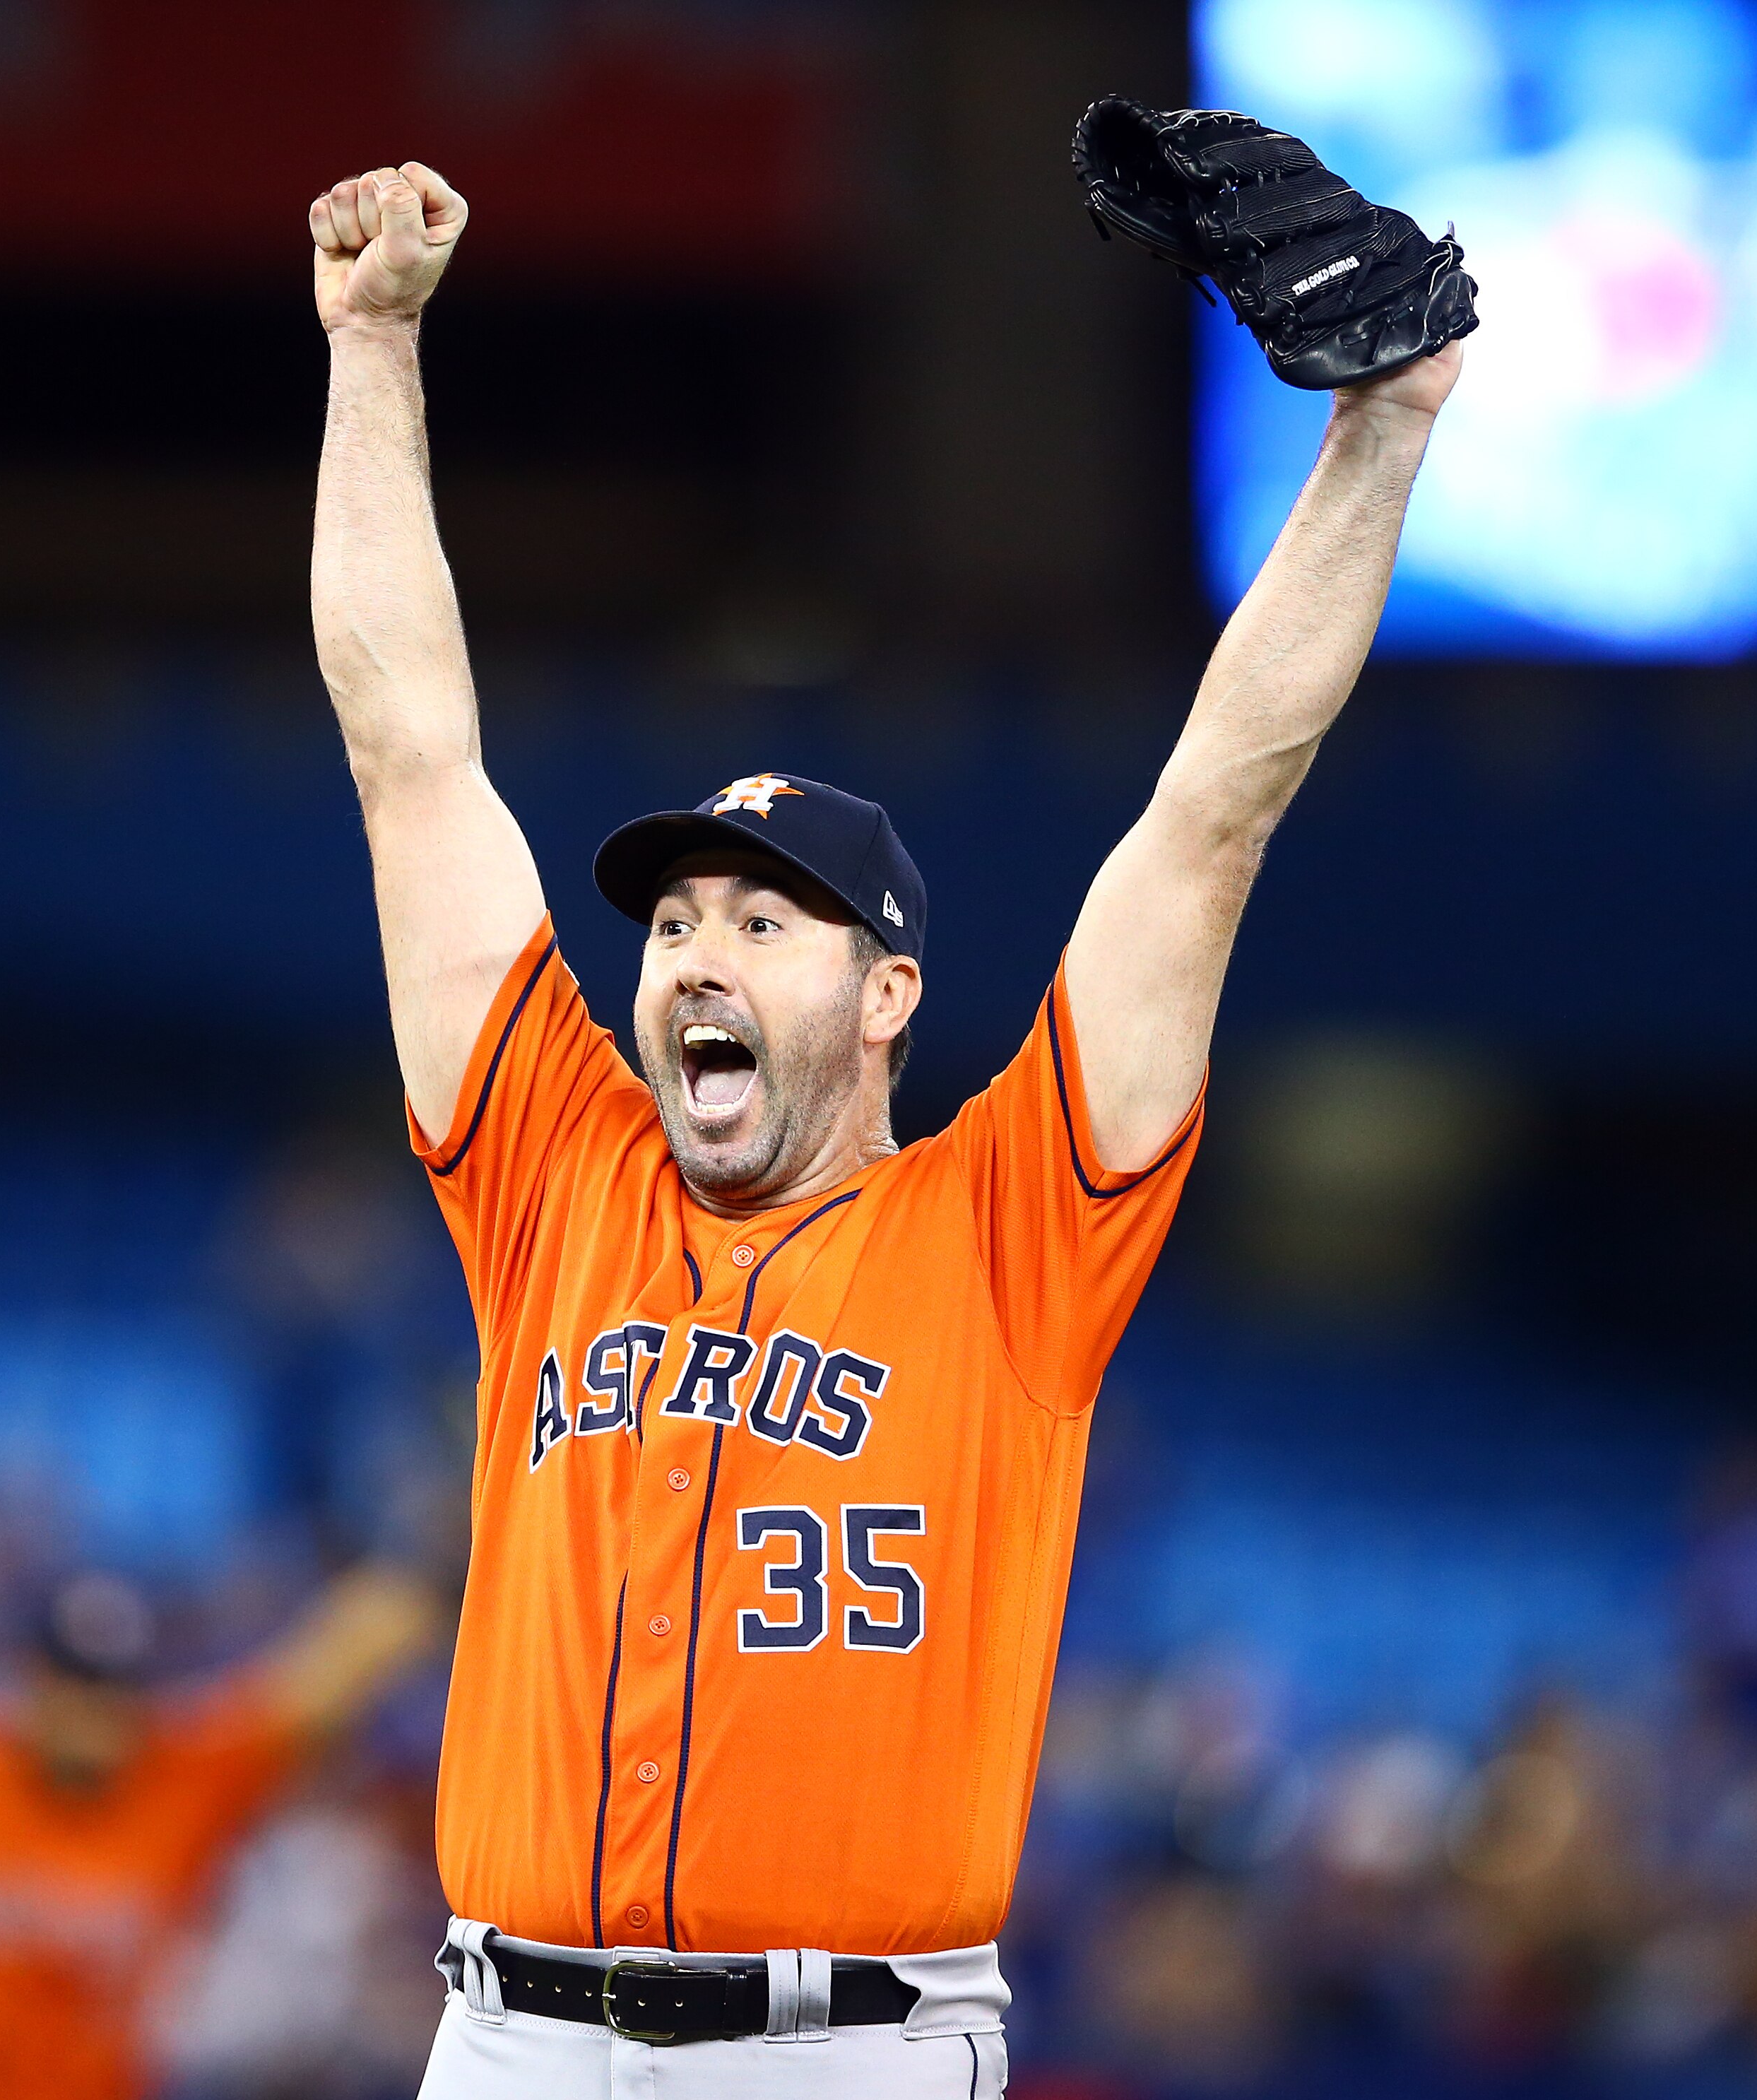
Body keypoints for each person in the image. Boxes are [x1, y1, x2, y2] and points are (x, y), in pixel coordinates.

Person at [304, 160, 1460, 2094]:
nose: (691, 955)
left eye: (763, 920)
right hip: (499, 2036)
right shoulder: (553, 1177)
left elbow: (1208, 811)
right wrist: (368, 346)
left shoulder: (1012, 1226)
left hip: (845, 2051)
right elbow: (407, 751)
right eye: (670, 918)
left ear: (888, 994)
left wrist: (1379, 435)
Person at [0, 1402, 444, 2100]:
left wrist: (457, 1527)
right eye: (76, 1685)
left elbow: (329, 1672)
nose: (95, 1716)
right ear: (34, 1683)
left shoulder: (184, 1771)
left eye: (113, 1690)